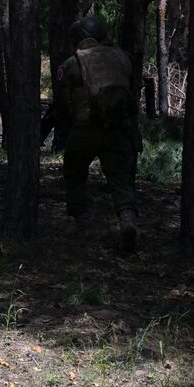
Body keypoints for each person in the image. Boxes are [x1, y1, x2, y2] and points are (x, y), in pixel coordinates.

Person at [54, 15, 141, 252]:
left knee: (74, 173)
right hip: (118, 128)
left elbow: (63, 103)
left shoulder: (72, 63)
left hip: (85, 128)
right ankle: (127, 221)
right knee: (121, 179)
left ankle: (75, 221)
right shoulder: (124, 58)